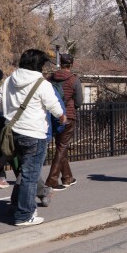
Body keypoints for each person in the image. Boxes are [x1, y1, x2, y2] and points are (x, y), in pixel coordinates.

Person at [0, 49, 66, 226]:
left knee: (24, 173)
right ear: (39, 65)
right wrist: (61, 116)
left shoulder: (10, 80)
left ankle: (18, 206)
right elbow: (53, 105)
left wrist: (8, 114)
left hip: (13, 131)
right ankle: (25, 214)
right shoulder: (41, 83)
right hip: (34, 133)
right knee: (30, 175)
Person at [44, 54, 83, 190]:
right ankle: (51, 180)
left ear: (60, 63)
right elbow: (79, 101)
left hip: (53, 116)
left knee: (62, 147)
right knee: (62, 147)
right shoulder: (73, 80)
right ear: (71, 64)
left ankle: (67, 177)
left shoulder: (50, 79)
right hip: (68, 116)